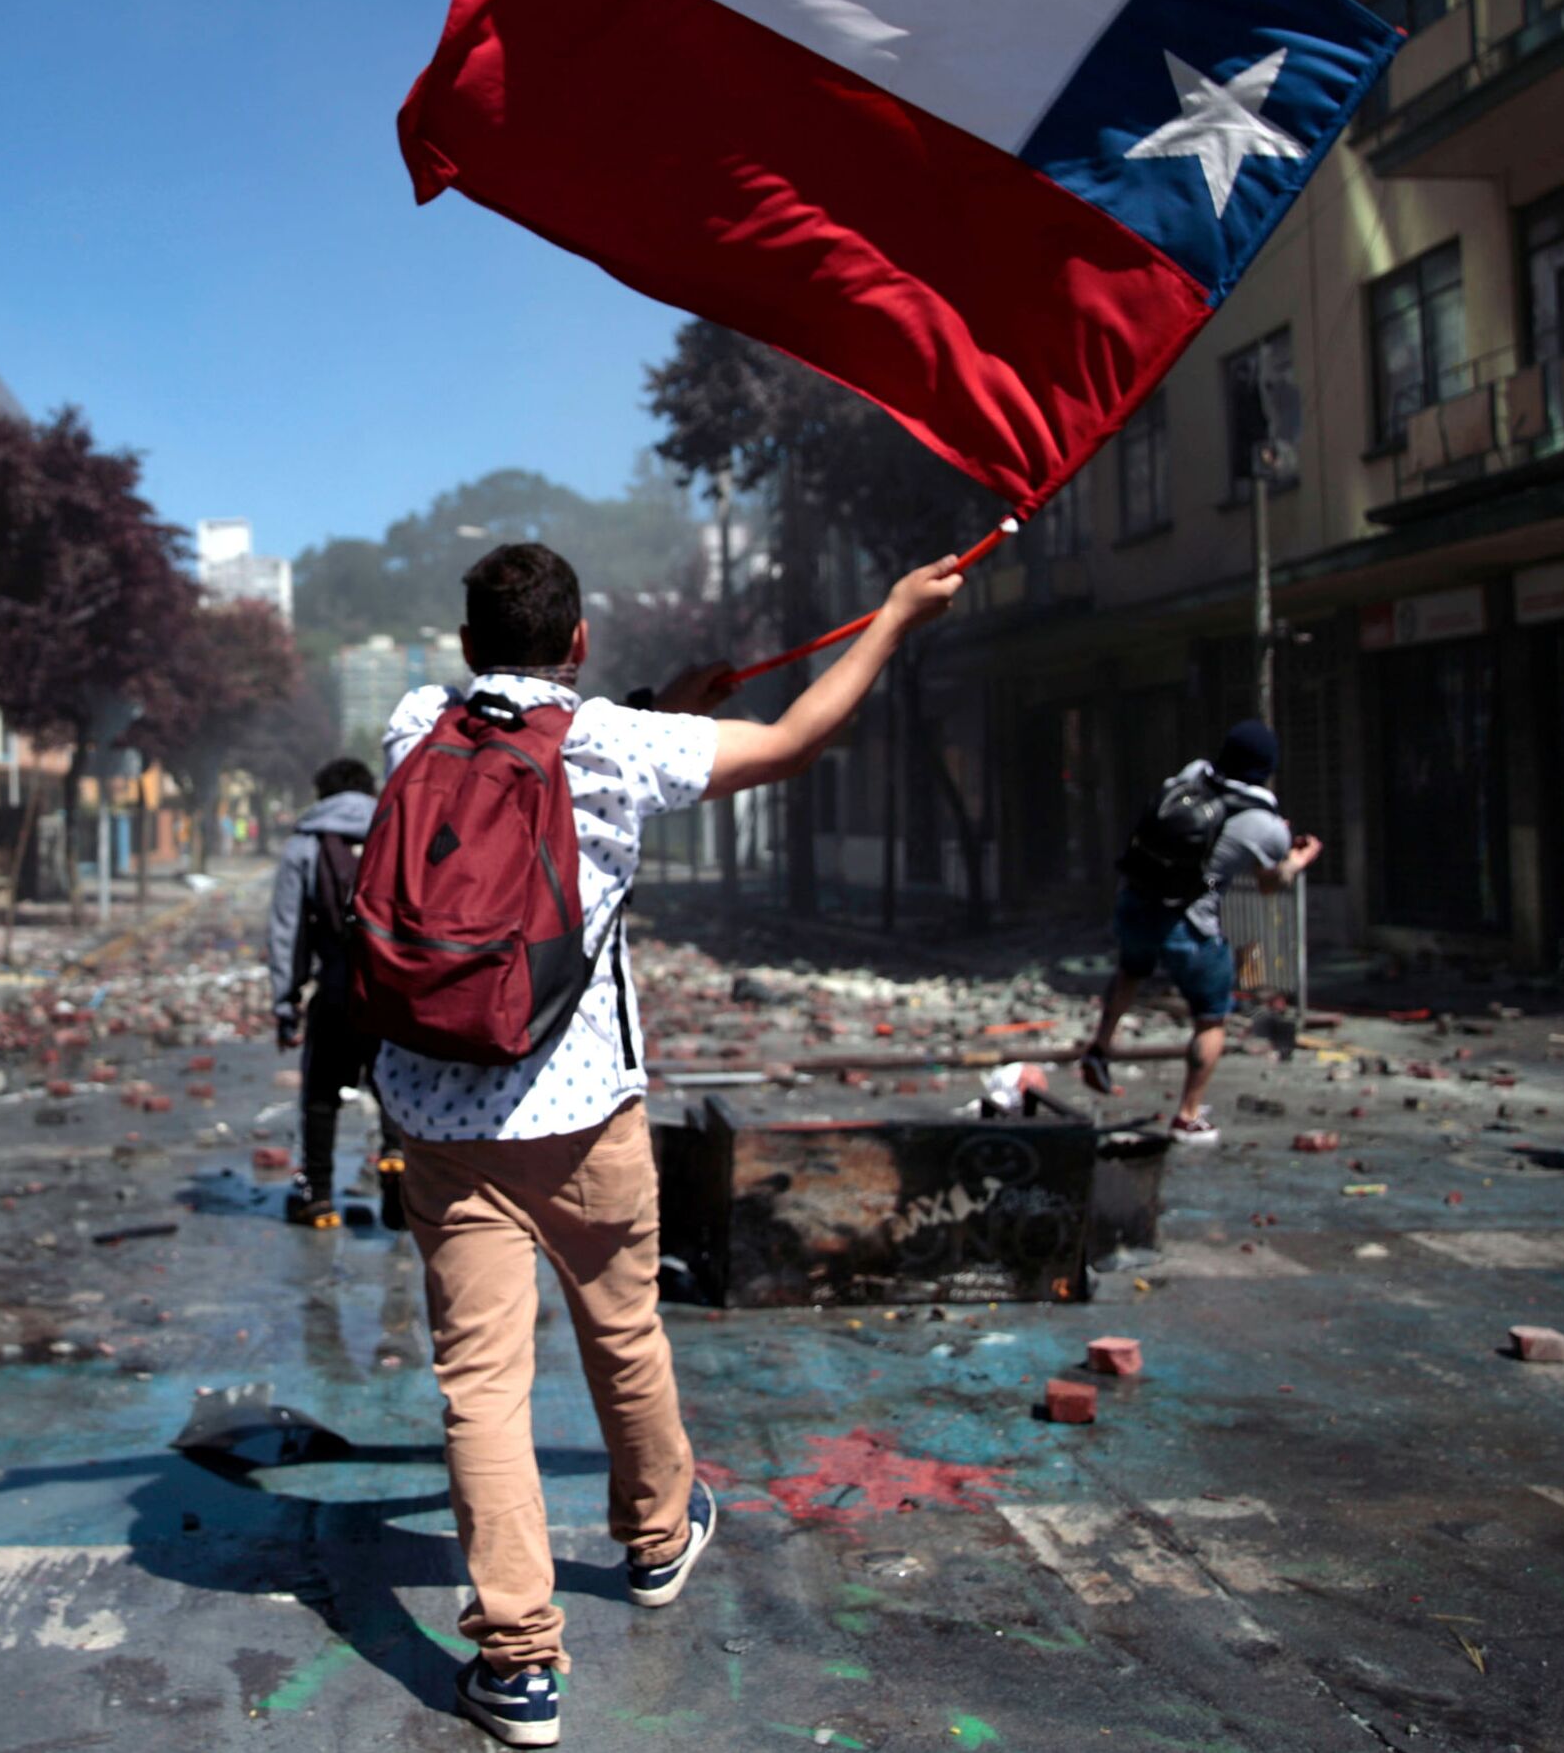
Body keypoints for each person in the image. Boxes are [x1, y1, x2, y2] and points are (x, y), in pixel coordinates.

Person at [374, 540, 964, 1748]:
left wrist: (667, 706)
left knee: (481, 1388)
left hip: (441, 1117)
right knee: (623, 1329)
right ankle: (654, 1539)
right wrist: (895, 616)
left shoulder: (412, 726)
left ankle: (518, 1664)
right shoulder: (616, 745)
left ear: (469, 642)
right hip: (584, 1111)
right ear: (580, 640)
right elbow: (792, 740)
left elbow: (520, 737)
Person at [1080, 717, 1322, 1145]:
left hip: (1137, 901)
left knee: (1131, 972)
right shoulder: (1265, 825)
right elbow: (1269, 884)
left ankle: (1099, 1049)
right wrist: (1297, 860)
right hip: (1191, 922)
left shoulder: (1192, 775)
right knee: (1211, 1017)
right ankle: (1188, 1117)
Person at [266, 756, 401, 1228]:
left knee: (322, 1092)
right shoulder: (398, 828)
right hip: (395, 988)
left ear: (322, 794)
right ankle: (398, 1165)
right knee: (395, 1083)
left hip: (338, 987)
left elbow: (286, 930)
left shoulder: (305, 844)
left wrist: (286, 1003)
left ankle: (319, 1197)